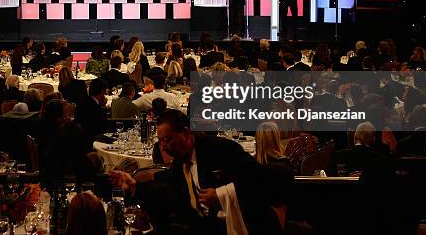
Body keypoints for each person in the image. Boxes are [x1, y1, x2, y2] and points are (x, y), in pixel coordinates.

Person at [110, 110, 283, 235]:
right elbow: (169, 191)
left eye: (167, 139)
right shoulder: (180, 163)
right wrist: (134, 186)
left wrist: (220, 193)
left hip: (250, 225)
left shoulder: (220, 148)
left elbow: (263, 178)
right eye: (160, 141)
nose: (163, 147)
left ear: (186, 133)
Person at [75, 78, 109, 148]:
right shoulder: (97, 109)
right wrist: (102, 107)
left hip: (79, 141)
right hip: (93, 143)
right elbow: (104, 128)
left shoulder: (81, 103)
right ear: (102, 91)